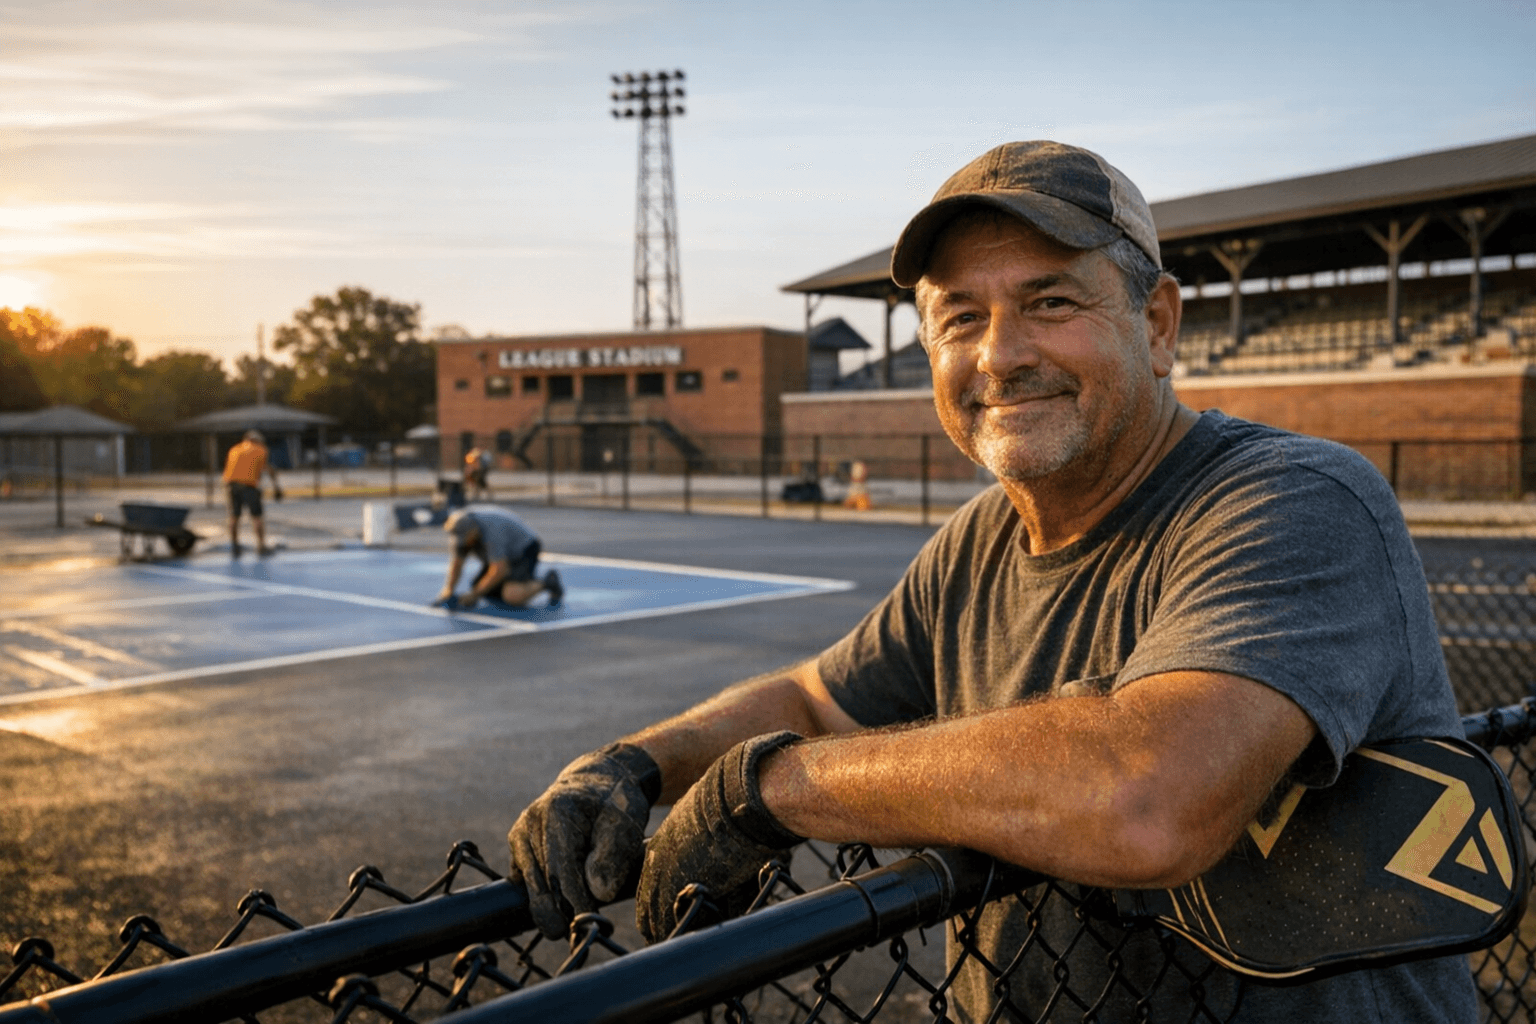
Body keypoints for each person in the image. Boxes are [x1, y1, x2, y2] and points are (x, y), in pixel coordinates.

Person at [506, 141, 1475, 1022]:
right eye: (960, 318)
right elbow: (815, 694)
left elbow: (1149, 798)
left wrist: (775, 787)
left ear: (1159, 322)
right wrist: (636, 762)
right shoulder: (977, 541)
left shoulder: (1295, 497)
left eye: (1052, 303)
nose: (1000, 355)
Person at [435, 505, 562, 610]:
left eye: (466, 539)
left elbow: (500, 569)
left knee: (512, 596)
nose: (464, 543)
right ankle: (520, 581)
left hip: (523, 550)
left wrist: (475, 594)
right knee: (480, 586)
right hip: (504, 554)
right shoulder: (459, 531)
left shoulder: (492, 532)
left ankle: (547, 582)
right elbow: (457, 563)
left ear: (474, 531)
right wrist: (448, 591)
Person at [223, 429, 280, 557]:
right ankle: (261, 546)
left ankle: (235, 546)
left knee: (234, 517)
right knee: (257, 516)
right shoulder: (261, 449)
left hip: (231, 486)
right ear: (258, 440)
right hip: (249, 486)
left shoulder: (234, 449)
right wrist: (276, 487)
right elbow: (267, 469)